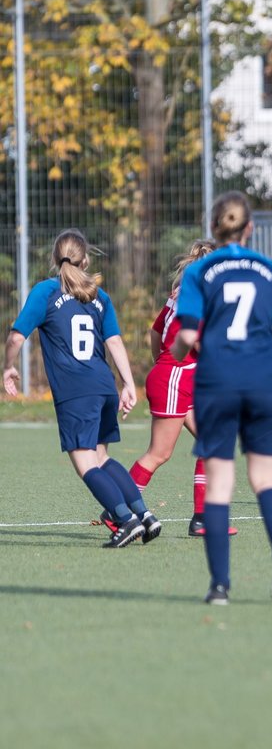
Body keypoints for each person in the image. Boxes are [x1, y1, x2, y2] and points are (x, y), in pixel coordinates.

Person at [171, 192, 272, 605]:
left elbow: (188, 335)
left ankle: (220, 587)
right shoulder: (271, 269)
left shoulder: (200, 270)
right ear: (250, 229)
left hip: (217, 383)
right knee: (266, 481)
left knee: (219, 487)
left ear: (214, 227)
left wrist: (175, 354)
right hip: (266, 383)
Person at [3, 229, 161, 549]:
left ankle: (125, 520)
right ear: (86, 259)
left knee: (85, 463)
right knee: (102, 457)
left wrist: (9, 366)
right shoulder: (99, 296)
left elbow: (17, 336)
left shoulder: (46, 291)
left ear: (54, 260)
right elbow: (114, 341)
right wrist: (129, 383)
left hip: (76, 392)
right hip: (104, 386)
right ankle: (145, 515)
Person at [94, 240, 235, 539]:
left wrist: (162, 362)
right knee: (158, 454)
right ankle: (116, 510)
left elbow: (155, 331)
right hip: (175, 380)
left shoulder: (182, 294)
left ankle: (202, 519)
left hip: (177, 378)